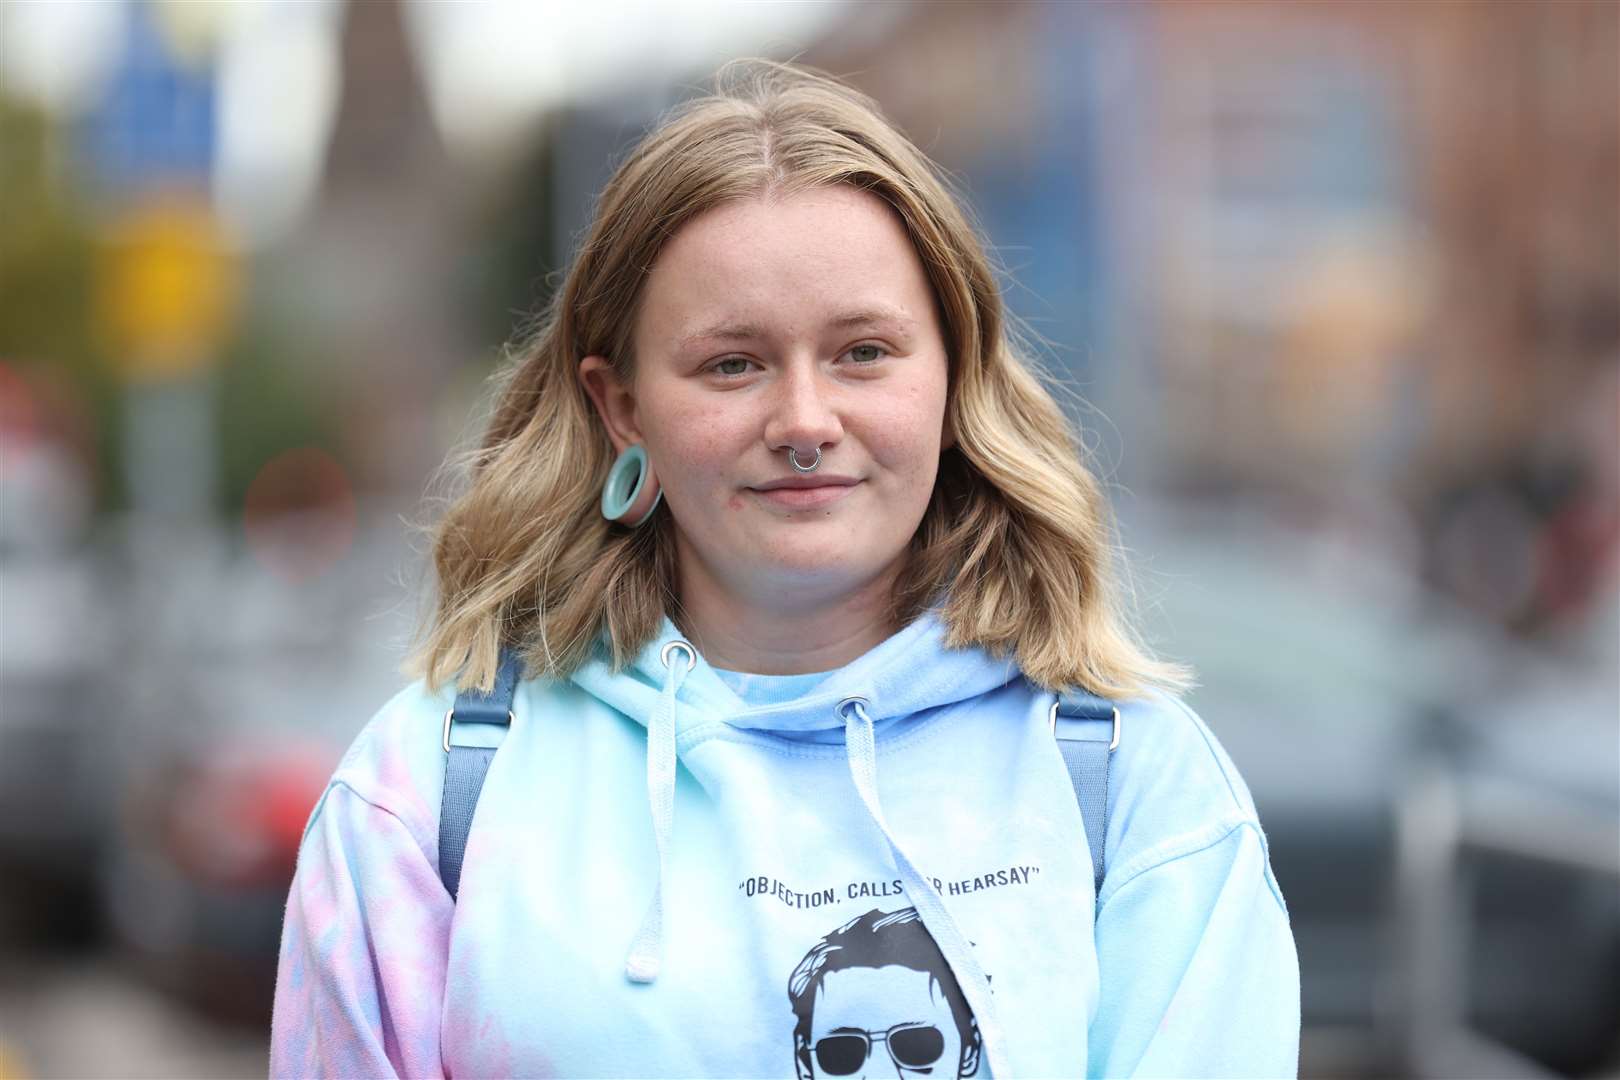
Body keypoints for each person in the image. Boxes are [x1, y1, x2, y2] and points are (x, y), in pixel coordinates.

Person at [269, 59, 1300, 1078]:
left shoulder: (1134, 787)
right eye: (733, 363)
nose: (805, 423)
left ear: (954, 376)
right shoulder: (429, 794)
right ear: (620, 404)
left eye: (863, 352)